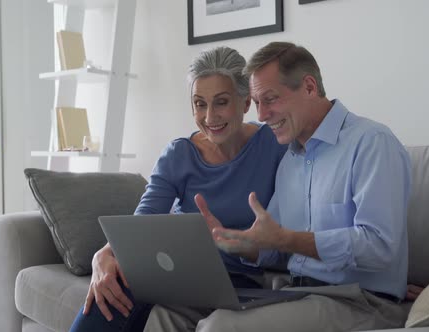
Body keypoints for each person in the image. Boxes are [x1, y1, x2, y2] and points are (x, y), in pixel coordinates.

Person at [143, 42, 413, 332]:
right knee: (164, 316)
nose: (261, 115)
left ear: (309, 87)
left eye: (270, 99)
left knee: (220, 327)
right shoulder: (291, 160)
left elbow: (380, 246)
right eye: (257, 103)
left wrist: (286, 239)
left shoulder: (371, 143)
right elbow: (275, 249)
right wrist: (239, 243)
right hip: (295, 293)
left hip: (358, 300)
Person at [69, 46, 287, 332]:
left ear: (246, 102)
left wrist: (237, 241)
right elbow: (142, 222)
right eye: (199, 104)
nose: (210, 116)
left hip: (238, 280)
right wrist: (105, 254)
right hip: (173, 273)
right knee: (111, 289)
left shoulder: (275, 146)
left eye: (221, 102)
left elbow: (289, 231)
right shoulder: (178, 154)